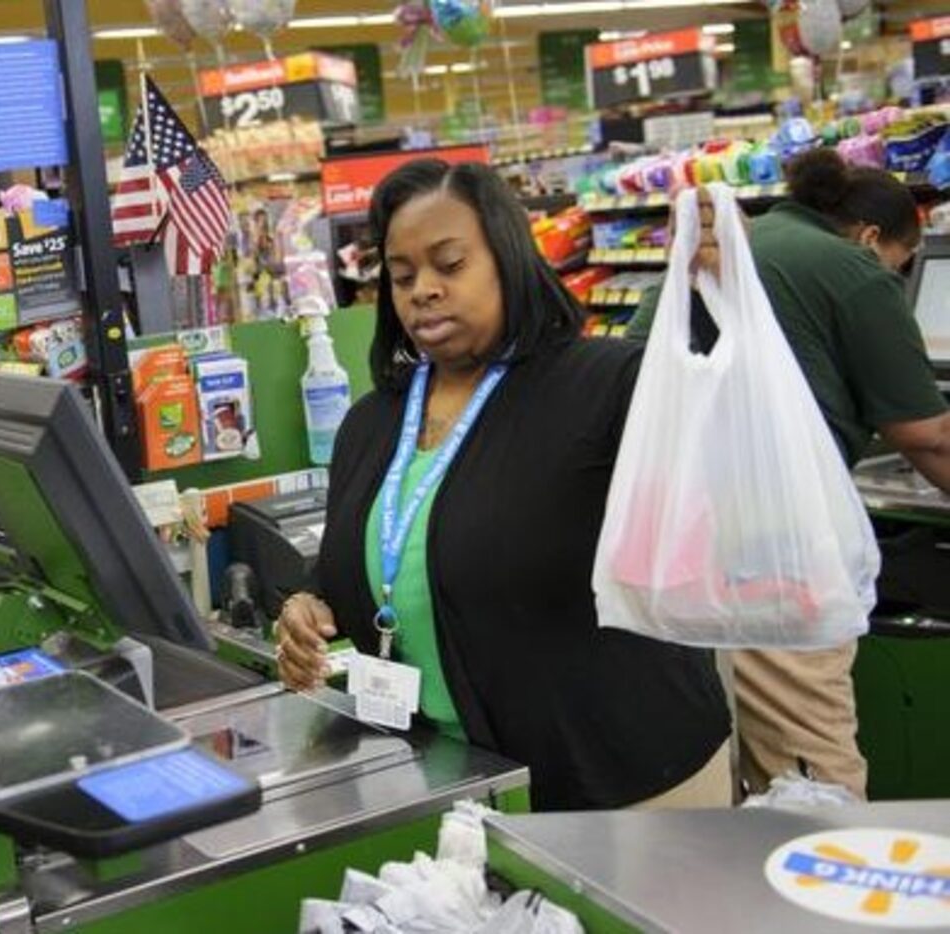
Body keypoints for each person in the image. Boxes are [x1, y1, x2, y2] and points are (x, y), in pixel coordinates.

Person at [275, 159, 733, 811]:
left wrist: (719, 294)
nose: (422, 290)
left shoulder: (606, 385)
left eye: (449, 264)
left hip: (625, 783)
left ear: (508, 260)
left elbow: (726, 438)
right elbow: (372, 563)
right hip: (455, 783)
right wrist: (310, 606)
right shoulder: (371, 424)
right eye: (402, 276)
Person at [627, 149, 950, 800]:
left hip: (669, 555)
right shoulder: (851, 269)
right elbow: (927, 436)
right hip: (771, 551)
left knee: (722, 773)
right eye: (901, 262)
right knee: (810, 777)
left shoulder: (719, 254)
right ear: (868, 237)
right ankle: (825, 891)